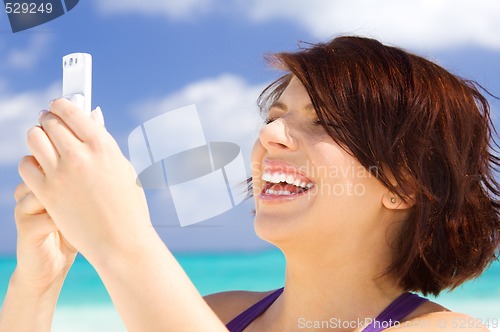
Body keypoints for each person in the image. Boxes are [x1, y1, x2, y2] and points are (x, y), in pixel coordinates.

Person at [0, 36, 498, 331]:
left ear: (404, 184)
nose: (269, 135)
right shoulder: (217, 314)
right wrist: (37, 283)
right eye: (275, 116)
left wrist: (121, 241)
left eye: (323, 123)